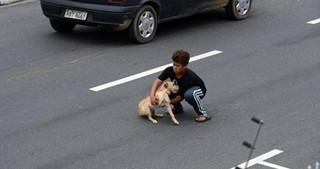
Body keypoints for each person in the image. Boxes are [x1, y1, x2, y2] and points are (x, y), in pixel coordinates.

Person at [150, 49, 211, 122]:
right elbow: (157, 82)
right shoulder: (169, 70)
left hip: (198, 90)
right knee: (167, 89)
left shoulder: (188, 78)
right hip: (181, 88)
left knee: (189, 95)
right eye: (174, 64)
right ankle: (178, 108)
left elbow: (180, 98)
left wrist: (164, 103)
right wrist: (152, 96)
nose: (175, 67)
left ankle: (202, 114)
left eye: (178, 65)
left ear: (185, 65)